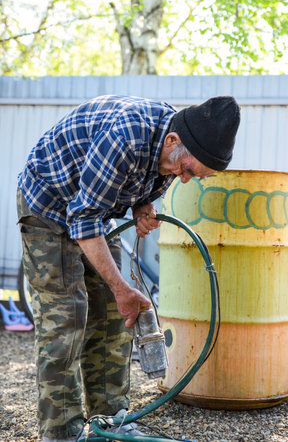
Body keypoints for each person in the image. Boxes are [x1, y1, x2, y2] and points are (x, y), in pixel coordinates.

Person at [17, 94, 240, 442]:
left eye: (194, 176)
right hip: (50, 204)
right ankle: (61, 430)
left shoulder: (175, 146)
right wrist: (122, 288)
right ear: (172, 141)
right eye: (186, 170)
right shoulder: (125, 138)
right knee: (67, 317)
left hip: (93, 211)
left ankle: (112, 421)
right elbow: (83, 217)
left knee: (113, 315)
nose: (183, 179)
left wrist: (141, 205)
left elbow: (132, 186)